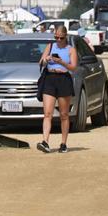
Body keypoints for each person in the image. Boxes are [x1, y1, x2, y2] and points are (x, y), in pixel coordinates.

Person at [37, 24, 78, 154]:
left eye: (61, 38)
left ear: (65, 37)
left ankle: (63, 143)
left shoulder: (71, 49)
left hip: (64, 79)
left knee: (64, 114)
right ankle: (45, 141)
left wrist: (61, 62)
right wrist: (46, 60)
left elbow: (73, 67)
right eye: (56, 37)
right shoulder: (50, 46)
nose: (58, 40)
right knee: (47, 113)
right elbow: (41, 62)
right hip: (50, 78)